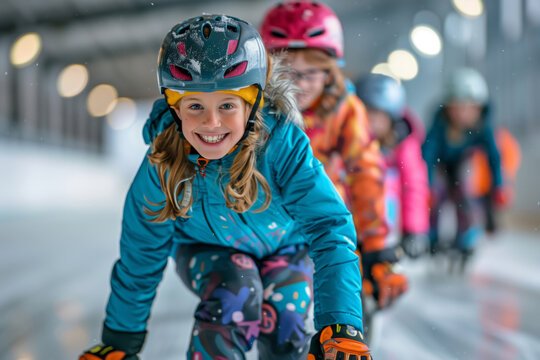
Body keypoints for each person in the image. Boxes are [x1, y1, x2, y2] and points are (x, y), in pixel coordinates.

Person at [79, 14, 372, 360]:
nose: (211, 123)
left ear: (253, 103)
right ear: (174, 108)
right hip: (206, 250)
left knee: (285, 315)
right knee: (235, 291)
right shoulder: (163, 162)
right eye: (195, 106)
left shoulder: (281, 145)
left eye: (228, 105)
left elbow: (328, 226)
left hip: (286, 248)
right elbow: (141, 252)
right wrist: (120, 342)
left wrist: (340, 325)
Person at [260, 0, 408, 315]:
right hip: (266, 225)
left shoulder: (345, 109)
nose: (298, 84)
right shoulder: (256, 110)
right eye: (286, 72)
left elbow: (365, 170)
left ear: (329, 73)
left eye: (310, 73)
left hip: (323, 224)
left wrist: (375, 244)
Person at [422, 67, 506, 259]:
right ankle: (432, 235)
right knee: (437, 195)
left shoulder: (483, 126)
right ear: (448, 107)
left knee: (466, 194)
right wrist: (427, 186)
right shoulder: (440, 124)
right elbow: (428, 155)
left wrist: (498, 186)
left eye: (470, 108)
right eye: (458, 107)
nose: (463, 114)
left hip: (461, 164)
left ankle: (466, 235)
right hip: (440, 165)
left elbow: (494, 157)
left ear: (479, 108)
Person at [355, 73, 430, 259]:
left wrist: (413, 229)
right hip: (350, 230)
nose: (372, 123)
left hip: (387, 234)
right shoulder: (346, 144)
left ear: (392, 120)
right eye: (368, 114)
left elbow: (414, 186)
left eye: (380, 117)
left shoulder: (403, 148)